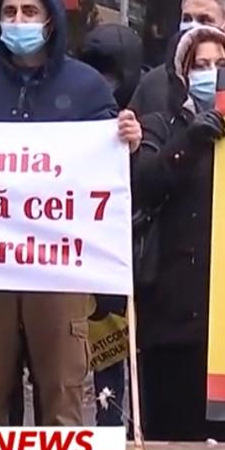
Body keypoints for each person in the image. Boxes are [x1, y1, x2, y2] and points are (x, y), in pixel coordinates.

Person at [0, 0, 142, 426]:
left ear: (51, 21)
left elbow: (109, 171)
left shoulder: (87, 86)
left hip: (59, 264)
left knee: (62, 394)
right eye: (10, 12)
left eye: (30, 12)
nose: (19, 21)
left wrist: (127, 140)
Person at [131, 24, 225, 443]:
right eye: (200, 65)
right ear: (183, 75)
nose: (211, 73)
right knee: (172, 437)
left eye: (220, 65)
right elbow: (145, 183)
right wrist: (189, 141)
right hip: (170, 319)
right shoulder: (158, 123)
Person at [77, 23, 148, 428]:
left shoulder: (144, 110)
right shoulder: (73, 108)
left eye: (111, 74)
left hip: (125, 253)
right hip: (76, 249)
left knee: (117, 360)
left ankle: (117, 432)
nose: (104, 84)